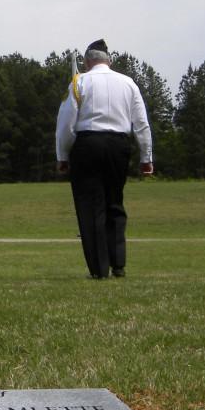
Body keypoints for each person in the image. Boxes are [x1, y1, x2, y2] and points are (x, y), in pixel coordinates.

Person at [56, 39, 153, 279]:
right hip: (119, 145)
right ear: (109, 61)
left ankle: (99, 269)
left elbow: (66, 123)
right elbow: (141, 124)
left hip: (87, 145)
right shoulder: (128, 83)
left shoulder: (80, 82)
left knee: (91, 208)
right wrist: (146, 157)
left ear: (88, 61)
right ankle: (118, 263)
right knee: (114, 203)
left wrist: (62, 155)